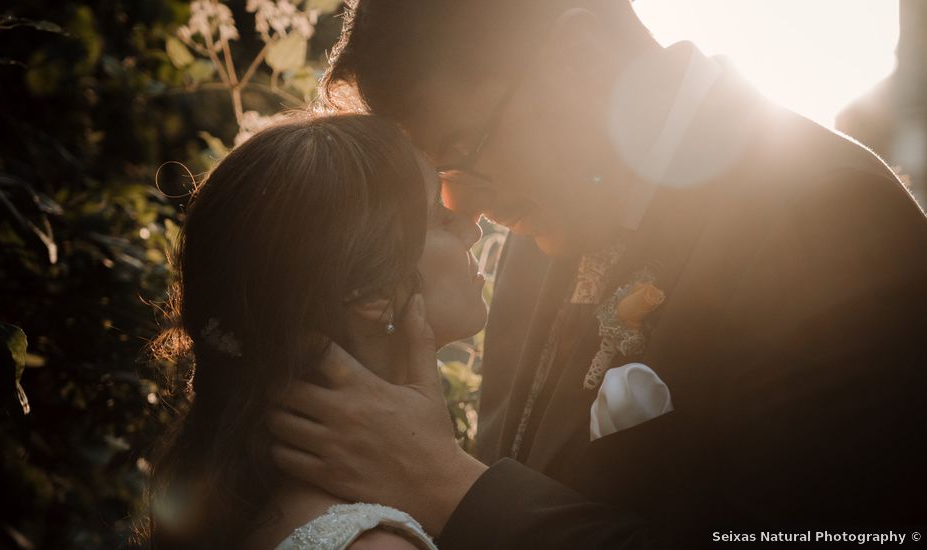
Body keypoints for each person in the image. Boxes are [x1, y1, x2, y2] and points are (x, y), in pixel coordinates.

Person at [267, 1, 927, 548]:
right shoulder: (536, 240)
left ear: (580, 55)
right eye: (440, 170)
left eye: (464, 147)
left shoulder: (830, 217)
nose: (456, 203)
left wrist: (451, 491)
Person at [147, 114, 487, 549]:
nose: (473, 230)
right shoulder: (374, 546)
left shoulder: (253, 494)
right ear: (372, 294)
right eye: (440, 219)